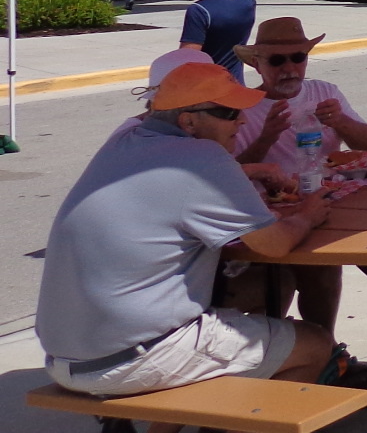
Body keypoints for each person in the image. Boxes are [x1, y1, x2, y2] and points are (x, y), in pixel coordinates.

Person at [36, 63, 335, 398]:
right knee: (315, 345)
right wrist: (308, 216)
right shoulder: (203, 157)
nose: (242, 121)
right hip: (134, 358)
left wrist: (251, 169)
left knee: (271, 284)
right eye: (228, 111)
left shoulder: (125, 136)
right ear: (188, 121)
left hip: (66, 358)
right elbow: (275, 244)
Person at [229, 18, 367, 331]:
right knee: (303, 270)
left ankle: (326, 348)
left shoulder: (323, 92)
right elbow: (229, 173)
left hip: (328, 201)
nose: (290, 68)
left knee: (328, 268)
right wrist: (266, 138)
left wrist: (340, 121)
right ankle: (295, 351)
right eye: (277, 60)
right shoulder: (242, 108)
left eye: (298, 57)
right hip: (267, 215)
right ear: (257, 64)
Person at [179, 0, 257, 80]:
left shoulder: (199, 10)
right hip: (237, 89)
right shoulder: (247, 1)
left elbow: (187, 59)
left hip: (209, 90)